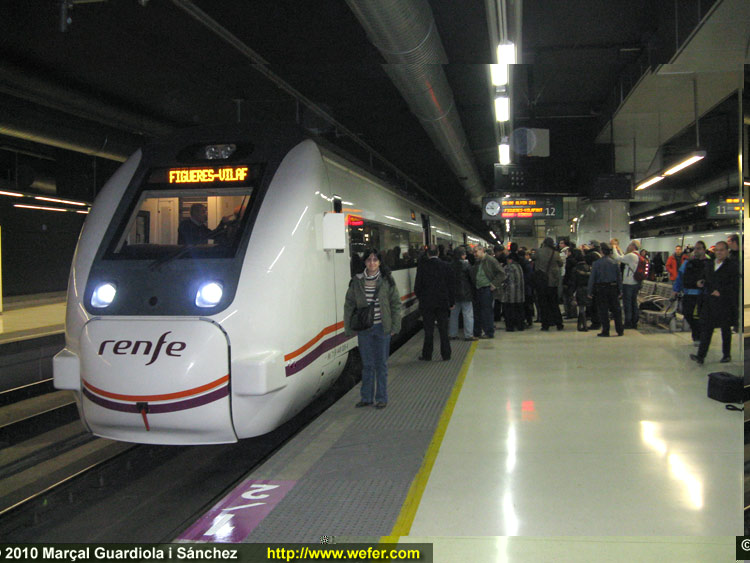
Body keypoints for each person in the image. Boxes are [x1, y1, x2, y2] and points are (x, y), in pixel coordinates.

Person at [344, 249, 402, 409]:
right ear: (364, 262)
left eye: (375, 260)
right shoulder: (356, 281)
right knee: (367, 364)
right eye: (369, 260)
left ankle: (382, 397)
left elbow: (395, 304)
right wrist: (348, 327)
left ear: (380, 263)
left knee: (381, 365)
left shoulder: (387, 280)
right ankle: (367, 398)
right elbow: (349, 304)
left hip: (382, 328)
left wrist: (395, 325)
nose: (372, 263)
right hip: (364, 329)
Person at [690, 241, 739, 365]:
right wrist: (700, 282)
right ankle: (701, 356)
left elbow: (734, 284)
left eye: (721, 250)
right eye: (716, 250)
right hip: (710, 301)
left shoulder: (732, 266)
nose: (718, 252)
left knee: (725, 329)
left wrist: (721, 292)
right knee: (706, 329)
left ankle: (726, 354)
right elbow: (704, 278)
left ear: (727, 251)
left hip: (724, 303)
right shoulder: (709, 264)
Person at [415, 244, 456, 361]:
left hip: (427, 304)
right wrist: (451, 302)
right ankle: (446, 354)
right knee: (443, 330)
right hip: (443, 303)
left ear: (427, 254)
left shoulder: (422, 267)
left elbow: (417, 287)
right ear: (438, 253)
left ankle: (427, 355)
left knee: (428, 331)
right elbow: (451, 286)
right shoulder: (447, 266)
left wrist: (422, 298)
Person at [673, 240, 709, 346]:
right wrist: (676, 289)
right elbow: (680, 276)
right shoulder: (688, 262)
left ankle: (699, 337)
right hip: (688, 293)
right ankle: (697, 334)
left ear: (704, 250)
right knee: (687, 314)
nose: (696, 251)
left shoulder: (708, 262)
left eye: (699, 248)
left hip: (702, 294)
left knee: (701, 317)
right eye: (695, 248)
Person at [587, 242, 624, 337]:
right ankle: (620, 330)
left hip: (601, 288)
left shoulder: (596, 263)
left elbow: (592, 278)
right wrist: (620, 290)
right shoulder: (615, 263)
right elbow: (619, 277)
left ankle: (606, 330)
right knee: (616, 310)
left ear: (601, 251)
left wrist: (589, 291)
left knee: (603, 310)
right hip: (613, 288)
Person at [471, 246, 506, 339]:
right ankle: (477, 332)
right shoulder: (478, 261)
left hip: (486, 289)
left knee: (486, 311)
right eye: (473, 252)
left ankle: (489, 332)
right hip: (478, 288)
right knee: (477, 311)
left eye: (475, 252)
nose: (474, 254)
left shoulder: (491, 260)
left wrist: (494, 284)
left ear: (482, 250)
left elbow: (502, 273)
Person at [533, 237, 564, 331]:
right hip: (552, 282)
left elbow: (533, 258)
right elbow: (561, 264)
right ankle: (559, 323)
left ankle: (545, 325)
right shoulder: (556, 253)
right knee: (554, 303)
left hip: (542, 282)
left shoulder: (538, 252)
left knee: (543, 304)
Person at [448, 247, 477, 341]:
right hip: (466, 294)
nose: (465, 256)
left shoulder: (450, 265)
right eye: (464, 254)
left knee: (454, 315)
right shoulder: (467, 265)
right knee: (468, 314)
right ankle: (468, 335)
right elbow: (473, 279)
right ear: (462, 255)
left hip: (454, 294)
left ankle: (452, 334)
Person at [612, 239, 641, 330]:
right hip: (636, 283)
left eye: (629, 245)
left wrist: (613, 247)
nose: (628, 246)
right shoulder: (638, 256)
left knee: (627, 304)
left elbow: (618, 258)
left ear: (633, 246)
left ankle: (628, 322)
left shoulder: (631, 256)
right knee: (634, 302)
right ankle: (634, 321)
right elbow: (623, 256)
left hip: (628, 283)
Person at [501, 252, 525, 331]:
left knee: (509, 312)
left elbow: (504, 278)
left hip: (510, 295)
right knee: (519, 312)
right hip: (520, 294)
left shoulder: (509, 267)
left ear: (510, 260)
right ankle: (520, 326)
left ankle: (510, 327)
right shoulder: (519, 266)